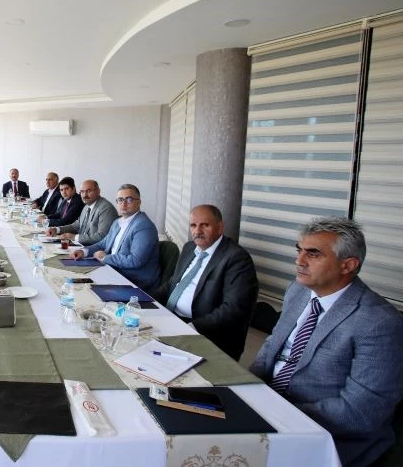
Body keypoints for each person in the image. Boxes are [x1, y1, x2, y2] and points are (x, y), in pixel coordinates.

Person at [250, 217, 403, 467]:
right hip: (266, 407)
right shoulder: (298, 290)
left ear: (348, 265)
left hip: (326, 438)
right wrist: (245, 389)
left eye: (313, 254)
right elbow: (270, 348)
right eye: (299, 251)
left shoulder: (379, 323)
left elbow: (360, 413)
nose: (299, 261)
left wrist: (274, 410)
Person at [154, 205, 258, 360]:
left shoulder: (237, 258)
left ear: (220, 227)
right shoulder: (189, 247)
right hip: (172, 318)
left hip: (205, 330)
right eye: (193, 225)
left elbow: (233, 308)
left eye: (205, 225)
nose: (197, 231)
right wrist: (145, 299)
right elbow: (173, 283)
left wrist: (193, 327)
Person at [71, 184, 160, 291]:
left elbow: (135, 260)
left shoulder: (143, 226)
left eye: (129, 199)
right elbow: (103, 244)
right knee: (72, 280)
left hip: (133, 281)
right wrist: (84, 251)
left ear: (138, 202)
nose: (123, 203)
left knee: (81, 289)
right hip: (112, 271)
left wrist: (105, 258)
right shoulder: (117, 222)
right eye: (120, 200)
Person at [46, 179, 117, 246]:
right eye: (82, 192)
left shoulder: (105, 208)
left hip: (93, 249)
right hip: (80, 245)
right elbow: (76, 226)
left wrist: (74, 237)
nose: (84, 195)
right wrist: (57, 229)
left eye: (88, 191)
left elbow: (102, 236)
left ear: (98, 191)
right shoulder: (86, 206)